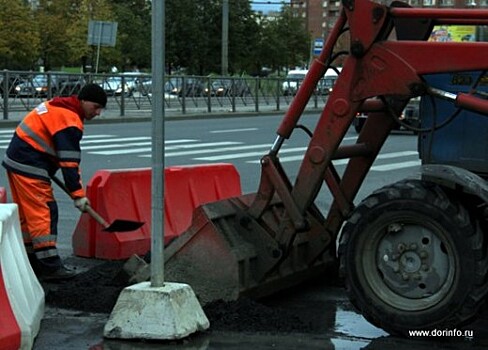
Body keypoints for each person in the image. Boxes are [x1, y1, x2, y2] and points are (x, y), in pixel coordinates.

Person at [2, 83, 107, 282]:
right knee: (45, 212)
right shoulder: (69, 120)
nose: (98, 112)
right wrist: (78, 195)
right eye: (96, 107)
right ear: (83, 101)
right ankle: (49, 266)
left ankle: (31, 260)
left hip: (17, 160)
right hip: (29, 163)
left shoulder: (59, 106)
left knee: (28, 215)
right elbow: (69, 162)